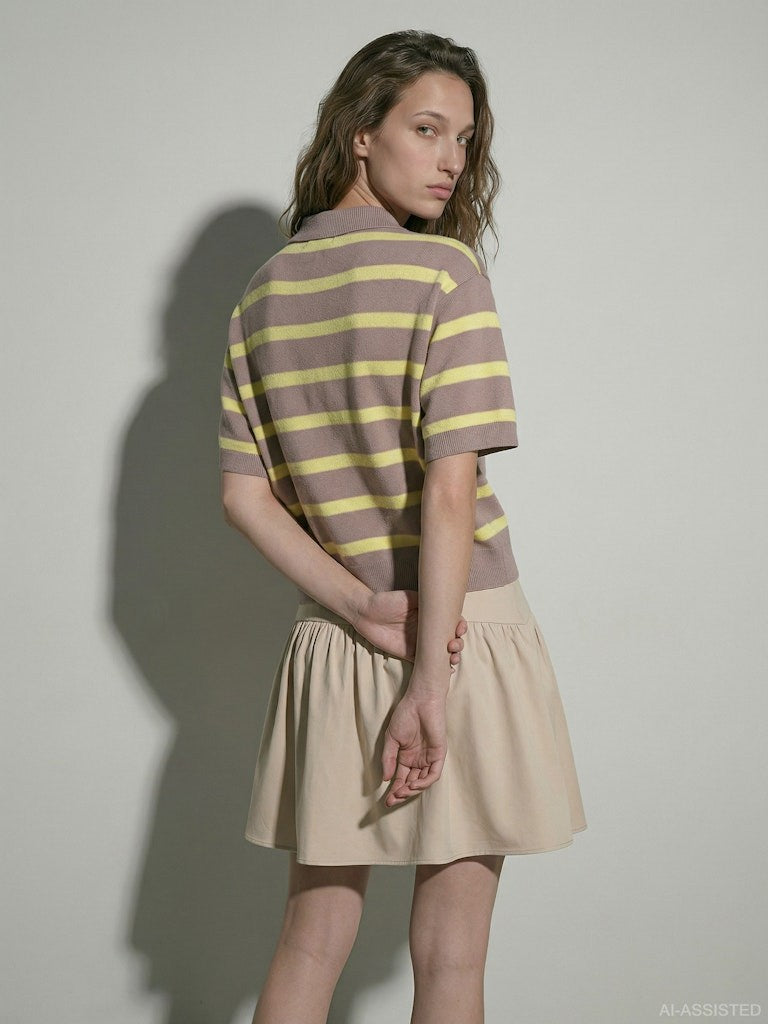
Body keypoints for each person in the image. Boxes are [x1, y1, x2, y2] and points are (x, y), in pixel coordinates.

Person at [218, 28, 587, 1024]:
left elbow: (245, 497)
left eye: (464, 138)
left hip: (337, 638)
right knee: (453, 957)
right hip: (463, 636)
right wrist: (428, 676)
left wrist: (357, 606)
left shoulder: (262, 294)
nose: (451, 159)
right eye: (427, 129)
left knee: (309, 941)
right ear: (360, 133)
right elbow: (449, 493)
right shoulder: (445, 274)